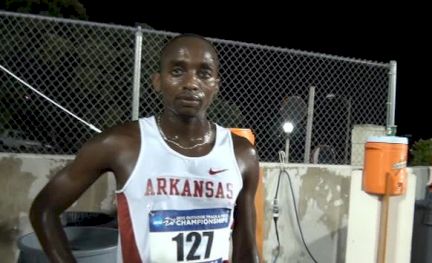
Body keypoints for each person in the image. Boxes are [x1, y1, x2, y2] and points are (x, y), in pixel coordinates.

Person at [29, 34, 260, 263]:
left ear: (216, 86)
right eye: (178, 71)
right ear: (157, 81)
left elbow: (246, 247)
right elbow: (44, 210)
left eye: (204, 73)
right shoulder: (121, 144)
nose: (191, 83)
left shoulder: (241, 155)